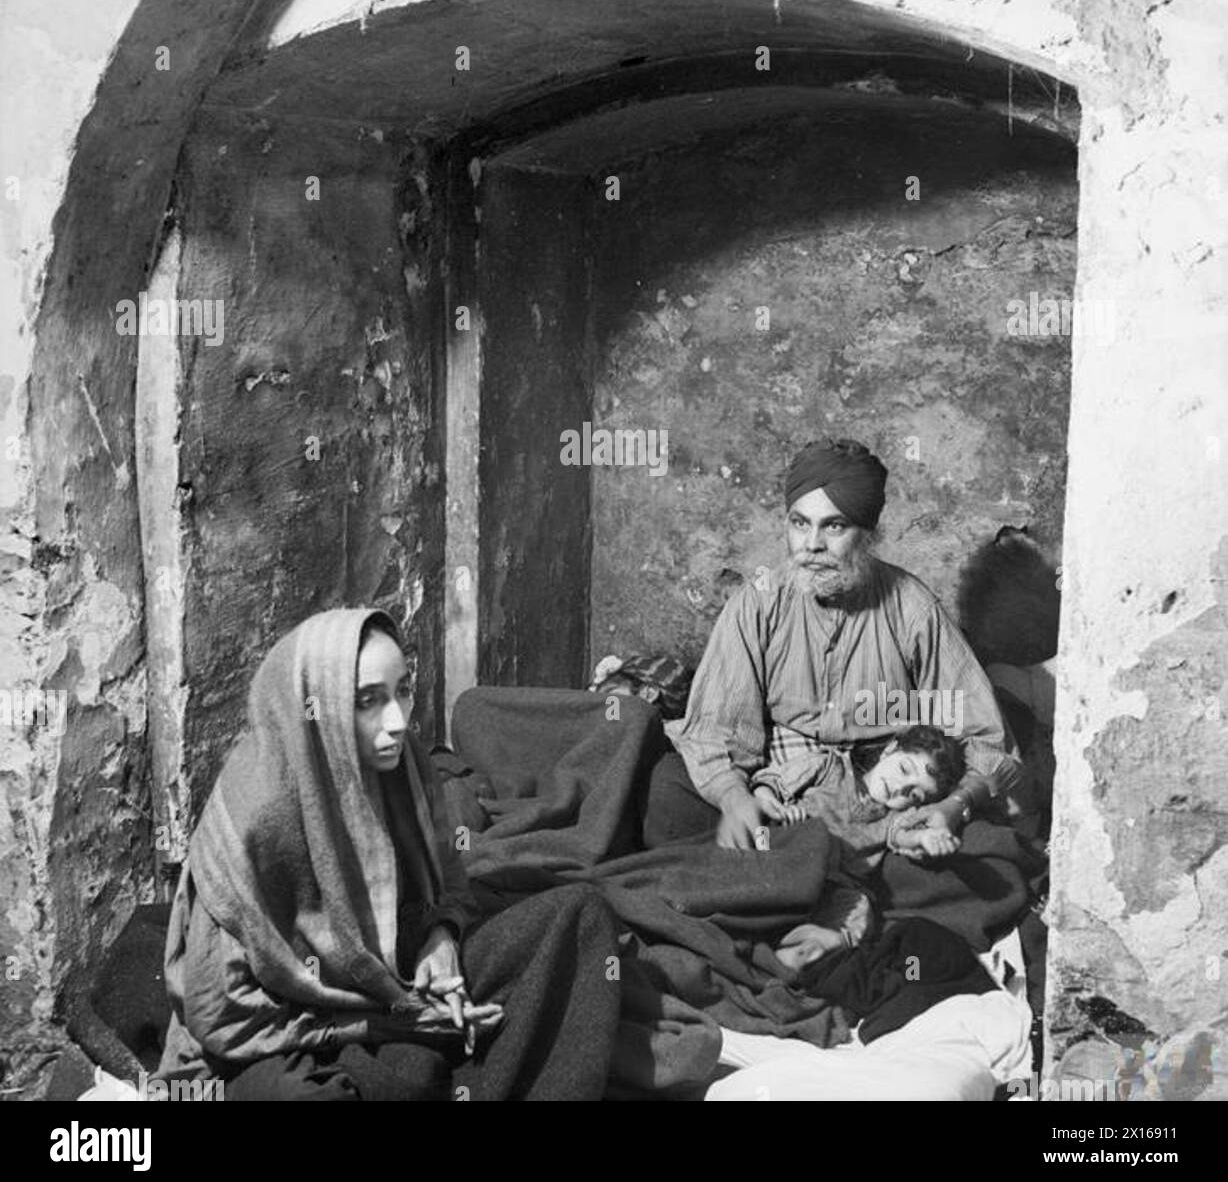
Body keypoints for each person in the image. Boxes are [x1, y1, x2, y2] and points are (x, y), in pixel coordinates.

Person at [155, 607, 621, 1101]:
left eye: (401, 690)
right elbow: (220, 1015)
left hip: (393, 986)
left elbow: (449, 880)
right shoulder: (259, 810)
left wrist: (440, 938)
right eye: (368, 701)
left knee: (579, 915)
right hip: (291, 1029)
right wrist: (387, 1025)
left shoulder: (404, 767)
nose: (398, 721)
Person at [643, 437, 1021, 853]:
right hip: (781, 782)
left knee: (987, 852)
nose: (811, 545)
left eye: (834, 526)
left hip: (879, 799)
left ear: (868, 535)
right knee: (668, 793)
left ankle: (781, 884)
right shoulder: (759, 601)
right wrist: (736, 799)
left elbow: (985, 737)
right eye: (799, 523)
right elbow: (717, 727)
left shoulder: (912, 608)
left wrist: (955, 805)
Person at [752, 724, 966, 873]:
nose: (900, 787)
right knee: (757, 837)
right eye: (903, 769)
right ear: (890, 750)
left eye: (914, 795)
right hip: (783, 843)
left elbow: (903, 836)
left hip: (829, 881)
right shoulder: (830, 766)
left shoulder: (893, 818)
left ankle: (813, 939)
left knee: (860, 907)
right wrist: (772, 802)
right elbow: (773, 782)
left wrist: (923, 838)